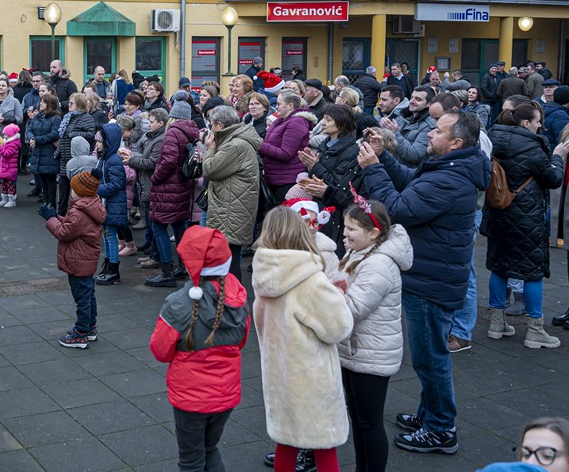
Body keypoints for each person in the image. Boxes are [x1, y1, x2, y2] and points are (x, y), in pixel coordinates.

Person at [358, 110, 489, 454]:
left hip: (432, 280)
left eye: (438, 131)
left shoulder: (451, 177)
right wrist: (384, 156)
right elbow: (410, 184)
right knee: (428, 356)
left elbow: (399, 208)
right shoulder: (448, 167)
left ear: (456, 142)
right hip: (432, 273)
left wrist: (372, 169)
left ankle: (441, 428)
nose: (430, 135)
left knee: (430, 358)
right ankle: (429, 414)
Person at [252, 207, 352, 472]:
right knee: (324, 445)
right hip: (312, 378)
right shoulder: (310, 281)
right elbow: (338, 328)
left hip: (280, 375)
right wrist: (338, 297)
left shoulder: (263, 276)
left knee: (286, 443)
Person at [150, 227, 249, 472]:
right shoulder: (239, 298)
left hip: (190, 397)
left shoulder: (177, 304)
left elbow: (160, 352)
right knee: (210, 449)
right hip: (226, 394)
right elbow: (241, 341)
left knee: (190, 460)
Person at [337, 198, 412, 472]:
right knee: (359, 420)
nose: (345, 233)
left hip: (371, 354)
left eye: (352, 229)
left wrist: (325, 294)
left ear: (374, 233)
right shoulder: (358, 254)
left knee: (369, 422)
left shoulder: (378, 264)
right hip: (356, 350)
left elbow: (353, 307)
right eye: (345, 227)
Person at [486, 103, 569, 349]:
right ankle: (535, 330)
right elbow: (553, 179)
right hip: (526, 217)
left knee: (499, 267)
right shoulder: (533, 148)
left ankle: (496, 323)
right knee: (532, 272)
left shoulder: (494, 139)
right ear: (525, 123)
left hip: (498, 212)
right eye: (537, 121)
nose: (540, 125)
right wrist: (558, 156)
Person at [39, 170, 105, 349]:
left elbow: (63, 232)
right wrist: (56, 216)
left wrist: (50, 219)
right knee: (88, 295)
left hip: (78, 262)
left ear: (80, 191)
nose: (71, 191)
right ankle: (90, 328)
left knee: (82, 298)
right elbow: (72, 225)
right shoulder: (90, 205)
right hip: (86, 260)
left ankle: (81, 334)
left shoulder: (78, 212)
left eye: (73, 188)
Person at [202, 105, 261, 281]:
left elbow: (210, 169)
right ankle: (229, 299)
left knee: (229, 258)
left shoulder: (235, 145)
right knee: (227, 256)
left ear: (220, 125)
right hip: (231, 205)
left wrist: (210, 148)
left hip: (231, 208)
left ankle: (232, 300)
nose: (210, 128)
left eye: (211, 124)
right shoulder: (235, 140)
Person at [147, 101, 200, 287]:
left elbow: (169, 161)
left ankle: (167, 271)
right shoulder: (191, 132)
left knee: (158, 226)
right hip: (182, 186)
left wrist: (155, 177)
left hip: (168, 187)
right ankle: (182, 266)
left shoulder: (173, 132)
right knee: (178, 227)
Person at [298, 104, 362, 252]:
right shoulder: (326, 143)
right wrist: (309, 166)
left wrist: (314, 166)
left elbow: (337, 184)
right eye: (323, 118)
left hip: (333, 211)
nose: (322, 123)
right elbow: (317, 174)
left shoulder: (350, 151)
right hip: (319, 204)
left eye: (328, 119)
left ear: (341, 124)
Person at [124, 107, 167, 269]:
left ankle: (156, 256)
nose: (149, 124)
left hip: (152, 185)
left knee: (155, 226)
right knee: (151, 224)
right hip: (146, 184)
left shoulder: (160, 139)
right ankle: (152, 253)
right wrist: (134, 157)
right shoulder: (152, 137)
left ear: (161, 123)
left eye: (152, 121)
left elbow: (151, 163)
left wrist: (131, 160)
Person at [260, 90, 317, 203]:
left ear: (290, 105)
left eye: (279, 104)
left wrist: (260, 145)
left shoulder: (297, 122)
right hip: (275, 178)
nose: (276, 107)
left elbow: (286, 154)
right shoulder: (280, 121)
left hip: (286, 180)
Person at [93, 121, 128, 285]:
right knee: (107, 237)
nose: (97, 144)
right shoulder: (104, 158)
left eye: (100, 141)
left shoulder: (113, 160)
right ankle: (108, 264)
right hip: (107, 204)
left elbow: (116, 184)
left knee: (111, 237)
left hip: (113, 205)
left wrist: (96, 189)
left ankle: (113, 269)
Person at [56, 93, 96, 216]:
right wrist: (57, 152)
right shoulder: (68, 117)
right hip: (65, 159)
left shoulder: (86, 118)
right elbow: (63, 138)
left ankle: (75, 216)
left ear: (79, 104)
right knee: (63, 189)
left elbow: (91, 134)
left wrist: (74, 134)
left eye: (72, 103)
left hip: (77, 160)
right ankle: (61, 215)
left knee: (76, 191)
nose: (69, 105)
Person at [379, 85, 435, 168]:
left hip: (411, 174)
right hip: (394, 169)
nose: (412, 101)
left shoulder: (430, 126)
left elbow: (415, 155)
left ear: (429, 104)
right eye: (412, 97)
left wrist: (394, 133)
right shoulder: (402, 116)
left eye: (418, 99)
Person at [27, 93, 61, 209]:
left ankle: (52, 203)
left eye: (44, 102)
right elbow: (29, 129)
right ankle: (46, 201)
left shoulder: (56, 118)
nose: (41, 103)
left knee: (50, 179)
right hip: (38, 152)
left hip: (49, 152)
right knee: (42, 178)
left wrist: (37, 140)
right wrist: (32, 138)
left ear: (50, 104)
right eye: (41, 101)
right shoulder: (38, 116)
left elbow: (54, 134)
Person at [0, 123, 21, 208]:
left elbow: (6, 154)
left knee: (10, 184)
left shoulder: (13, 144)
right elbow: (2, 153)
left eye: (5, 133)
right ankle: (4, 199)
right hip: (5, 167)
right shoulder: (7, 142)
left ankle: (12, 200)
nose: (4, 134)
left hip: (10, 167)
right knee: (3, 183)